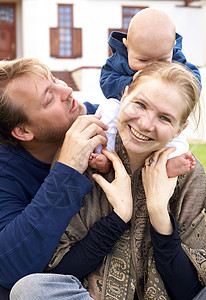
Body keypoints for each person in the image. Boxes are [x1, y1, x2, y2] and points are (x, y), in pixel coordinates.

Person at [12, 61, 206, 300]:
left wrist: (159, 215)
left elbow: (190, 290)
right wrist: (117, 218)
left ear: (179, 130)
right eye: (140, 104)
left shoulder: (190, 177)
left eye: (165, 118)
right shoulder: (83, 158)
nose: (145, 124)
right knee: (30, 289)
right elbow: (60, 271)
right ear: (124, 95)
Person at [0, 58, 134, 298]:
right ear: (23, 131)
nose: (67, 90)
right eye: (49, 98)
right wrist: (68, 168)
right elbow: (11, 268)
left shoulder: (105, 120)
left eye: (55, 80)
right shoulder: (6, 171)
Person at [90, 8, 201, 178]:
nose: (152, 67)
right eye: (143, 60)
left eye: (163, 60)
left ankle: (171, 159)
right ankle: (106, 155)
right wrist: (132, 82)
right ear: (127, 46)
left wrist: (179, 92)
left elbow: (194, 80)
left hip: (165, 108)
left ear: (172, 49)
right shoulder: (119, 60)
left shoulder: (177, 58)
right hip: (125, 104)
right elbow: (107, 81)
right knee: (108, 110)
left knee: (176, 128)